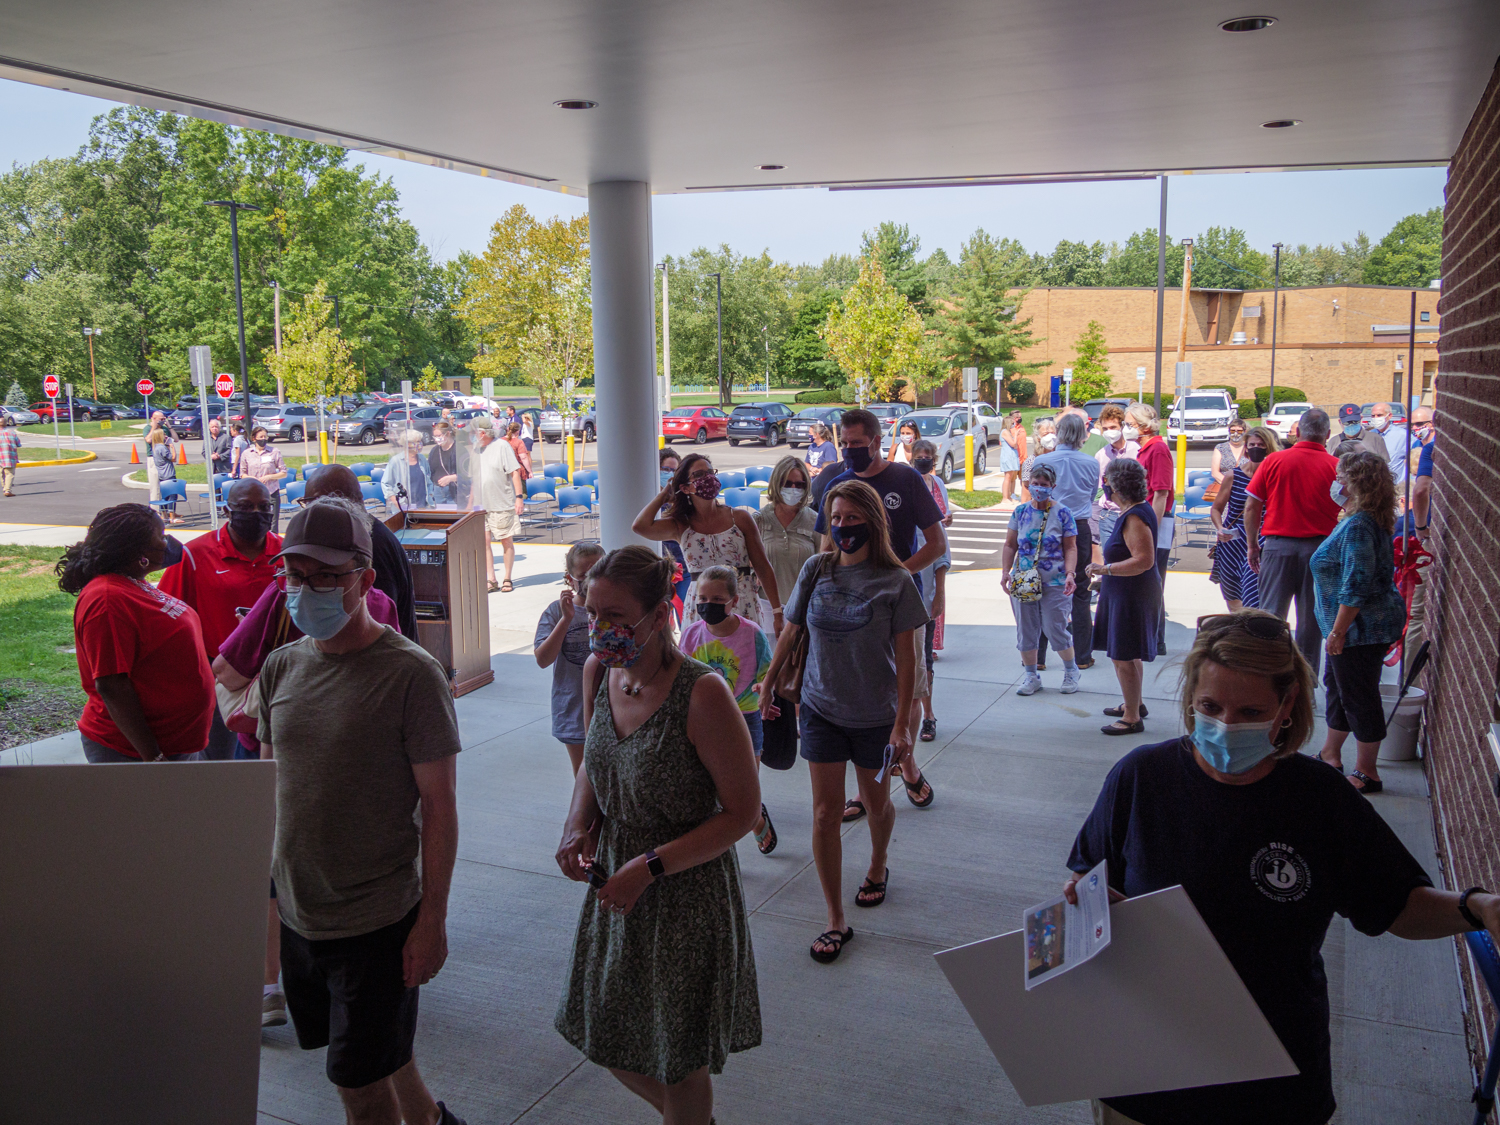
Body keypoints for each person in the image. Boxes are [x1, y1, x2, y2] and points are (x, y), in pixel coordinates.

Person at [1065, 610, 1500, 1125]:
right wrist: (1083, 902)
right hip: (1148, 1058)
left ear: (1287, 704)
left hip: (1271, 1071)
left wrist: (1480, 908)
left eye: (1250, 711)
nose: (1226, 726)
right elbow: (1086, 876)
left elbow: (1397, 905)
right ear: (1189, 700)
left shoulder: (1320, 799)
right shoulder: (1141, 777)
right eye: (1210, 706)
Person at [256, 501, 468, 1125]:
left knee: (358, 1086)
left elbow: (440, 806)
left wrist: (433, 920)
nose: (306, 589)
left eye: (326, 575)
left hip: (376, 921)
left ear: (365, 580)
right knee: (382, 1058)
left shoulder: (410, 675)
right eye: (295, 575)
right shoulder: (280, 667)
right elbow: (270, 790)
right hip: (302, 915)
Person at [554, 546, 761, 1125]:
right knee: (608, 1032)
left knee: (679, 1057)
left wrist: (649, 866)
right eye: (593, 614)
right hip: (618, 880)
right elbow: (595, 769)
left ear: (659, 615)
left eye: (616, 618)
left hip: (683, 889)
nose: (600, 629)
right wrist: (578, 825)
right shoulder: (602, 671)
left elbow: (743, 813)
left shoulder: (702, 693)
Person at [762, 479, 927, 962]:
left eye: (853, 519)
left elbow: (908, 660)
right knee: (823, 813)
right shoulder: (817, 569)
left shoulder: (896, 582)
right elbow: (792, 630)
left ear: (872, 522)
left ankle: (878, 864)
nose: (842, 527)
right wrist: (770, 683)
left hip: (875, 716)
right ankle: (835, 918)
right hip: (820, 708)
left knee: (877, 806)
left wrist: (902, 726)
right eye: (835, 519)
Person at [812, 408, 944, 808]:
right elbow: (824, 549)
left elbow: (936, 544)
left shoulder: (905, 479)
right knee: (860, 695)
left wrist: (893, 578)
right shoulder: (838, 483)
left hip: (901, 606)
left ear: (875, 441)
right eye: (845, 444)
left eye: (857, 443)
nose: (850, 451)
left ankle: (905, 759)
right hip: (850, 610)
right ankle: (871, 783)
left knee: (911, 684)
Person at [57, 504, 213, 763]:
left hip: (175, 744)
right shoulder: (106, 600)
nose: (167, 541)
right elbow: (111, 684)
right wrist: (153, 757)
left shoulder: (131, 583)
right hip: (134, 753)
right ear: (138, 550)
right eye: (161, 534)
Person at [157, 477, 282, 759]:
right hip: (220, 677)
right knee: (220, 761)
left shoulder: (286, 555)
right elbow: (168, 619)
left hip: (277, 675)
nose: (256, 514)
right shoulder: (195, 555)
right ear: (227, 511)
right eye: (245, 507)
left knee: (271, 760)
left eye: (264, 506)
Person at [1312, 451, 1408, 795]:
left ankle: (1368, 773)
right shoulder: (1366, 519)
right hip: (1354, 628)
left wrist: (1338, 632)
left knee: (1359, 697)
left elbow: (1356, 583)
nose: (1336, 483)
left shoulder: (1359, 526)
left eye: (1341, 478)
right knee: (1338, 690)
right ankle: (1330, 754)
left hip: (1361, 629)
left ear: (1356, 484)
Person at [680, 565, 776, 853]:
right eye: (702, 598)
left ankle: (753, 815)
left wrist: (764, 689)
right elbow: (681, 678)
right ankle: (732, 839)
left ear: (735, 602)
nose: (708, 606)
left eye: (718, 600)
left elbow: (767, 672)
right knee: (713, 788)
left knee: (746, 786)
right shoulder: (691, 635)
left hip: (746, 716)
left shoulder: (753, 634)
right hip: (705, 719)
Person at [631, 452, 782, 633]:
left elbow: (763, 567)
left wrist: (777, 612)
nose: (708, 478)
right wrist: (663, 495)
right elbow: (640, 526)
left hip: (741, 602)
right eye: (699, 475)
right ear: (685, 488)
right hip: (701, 606)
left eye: (711, 472)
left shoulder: (740, 518)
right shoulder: (680, 524)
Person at [1242, 407, 1341, 677]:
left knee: (1271, 616)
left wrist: (1252, 545)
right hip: (1320, 551)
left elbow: (1252, 507)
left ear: (1297, 433)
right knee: (1310, 622)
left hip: (1278, 547)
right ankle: (1304, 683)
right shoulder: (1336, 467)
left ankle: (1267, 676)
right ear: (1328, 435)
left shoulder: (1274, 462)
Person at [1085, 458, 1161, 735]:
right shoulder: (1136, 510)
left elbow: (1144, 560)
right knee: (1128, 654)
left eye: (1106, 481)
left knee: (1123, 655)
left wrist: (1103, 569)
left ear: (1115, 486)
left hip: (1131, 594)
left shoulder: (1134, 516)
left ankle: (1131, 717)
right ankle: (1135, 703)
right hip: (1125, 591)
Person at [303, 464, 418, 640]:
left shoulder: (369, 545)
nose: (308, 512)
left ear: (339, 502)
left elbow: (378, 616)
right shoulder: (365, 534)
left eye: (313, 503)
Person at [1001, 463, 1080, 696]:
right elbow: (1009, 545)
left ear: (1052, 487)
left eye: (1044, 485)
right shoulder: (1020, 512)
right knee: (1026, 629)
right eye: (1035, 484)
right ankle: (1031, 676)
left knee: (1055, 627)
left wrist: (1070, 573)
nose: (1038, 488)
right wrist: (1006, 572)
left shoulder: (1064, 513)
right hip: (1024, 580)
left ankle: (1071, 670)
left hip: (1054, 581)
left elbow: (1071, 547)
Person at [1032, 412, 1098, 669]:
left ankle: (1038, 657)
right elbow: (1092, 494)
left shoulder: (1044, 459)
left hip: (1048, 525)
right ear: (1082, 434)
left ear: (1058, 433)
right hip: (1078, 527)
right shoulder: (1091, 462)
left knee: (1039, 590)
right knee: (1080, 592)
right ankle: (1082, 656)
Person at [535, 541, 607, 776]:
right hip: (573, 707)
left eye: (597, 572)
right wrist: (565, 620)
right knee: (584, 775)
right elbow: (543, 659)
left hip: (610, 706)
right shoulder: (556, 611)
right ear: (570, 578)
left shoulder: (614, 610)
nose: (590, 580)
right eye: (583, 575)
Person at [1209, 426, 1280, 611]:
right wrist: (1219, 528)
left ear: (1269, 448)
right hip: (1232, 541)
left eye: (1261, 445)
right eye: (1252, 445)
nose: (1256, 448)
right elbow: (1216, 509)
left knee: (1253, 593)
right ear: (1246, 448)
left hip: (1260, 540)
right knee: (1231, 593)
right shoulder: (1233, 476)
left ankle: (1250, 633)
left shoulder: (1274, 477)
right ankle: (1238, 632)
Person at [911, 438, 952, 740]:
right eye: (918, 455)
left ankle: (929, 715)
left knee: (923, 659)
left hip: (922, 597)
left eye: (928, 456)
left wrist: (939, 593)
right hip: (898, 598)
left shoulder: (934, 511)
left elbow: (941, 555)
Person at [751, 455, 820, 630]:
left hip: (804, 610)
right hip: (766, 610)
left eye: (799, 484)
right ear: (776, 483)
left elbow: (822, 566)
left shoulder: (815, 521)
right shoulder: (758, 521)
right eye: (787, 483)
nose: (793, 489)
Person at [475, 425, 524, 593]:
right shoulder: (475, 449)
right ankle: (491, 579)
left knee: (506, 541)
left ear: (483, 433)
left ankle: (507, 578)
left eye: (475, 432)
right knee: (484, 543)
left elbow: (515, 473)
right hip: (481, 507)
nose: (472, 435)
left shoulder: (502, 446)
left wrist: (519, 497)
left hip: (501, 503)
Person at [1091, 405, 1137, 563]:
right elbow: (1098, 488)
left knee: (1131, 559)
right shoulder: (1101, 455)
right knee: (1110, 560)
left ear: (1122, 426)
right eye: (1105, 428)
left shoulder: (1136, 451)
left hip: (1131, 513)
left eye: (1113, 427)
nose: (1110, 431)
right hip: (1109, 515)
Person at [658, 446, 692, 614]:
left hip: (683, 569)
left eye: (674, 470)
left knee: (684, 614)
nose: (670, 474)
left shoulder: (685, 499)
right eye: (665, 469)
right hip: (659, 570)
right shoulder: (648, 499)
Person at [383, 430, 433, 511]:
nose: (420, 444)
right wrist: (396, 503)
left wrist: (430, 498)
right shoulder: (396, 461)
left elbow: (428, 481)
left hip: (422, 507)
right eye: (417, 441)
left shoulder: (422, 459)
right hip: (403, 508)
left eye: (420, 441)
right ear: (407, 444)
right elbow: (386, 484)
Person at [241, 425, 289, 505]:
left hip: (271, 492)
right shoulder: (246, 454)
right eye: (261, 437)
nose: (263, 439)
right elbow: (242, 474)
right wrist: (251, 478)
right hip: (253, 492)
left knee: (273, 517)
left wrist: (269, 477)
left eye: (265, 437)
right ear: (254, 439)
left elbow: (284, 473)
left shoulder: (274, 452)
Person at [1370, 401, 1414, 486]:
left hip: (1396, 487)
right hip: (1374, 487)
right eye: (1373, 416)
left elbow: (1417, 455)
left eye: (1379, 415)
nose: (1376, 418)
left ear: (1389, 416)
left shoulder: (1404, 436)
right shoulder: (1369, 435)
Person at [148, 425, 184, 525]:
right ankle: (172, 517)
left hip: (162, 475)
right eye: (163, 434)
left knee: (164, 497)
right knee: (173, 496)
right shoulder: (162, 448)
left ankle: (164, 516)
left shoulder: (155, 448)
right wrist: (172, 447)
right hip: (169, 475)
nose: (165, 436)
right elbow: (173, 458)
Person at [1020, 417, 1056, 504]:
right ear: (1038, 438)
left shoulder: (1062, 458)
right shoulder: (1031, 461)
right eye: (1045, 434)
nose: (1050, 437)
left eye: (1052, 433)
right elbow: (1026, 493)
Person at [426, 422, 461, 504]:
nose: (436, 439)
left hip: (454, 493)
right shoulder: (434, 450)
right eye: (435, 436)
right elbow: (430, 472)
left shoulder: (460, 450)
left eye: (439, 436)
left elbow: (468, 475)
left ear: (448, 433)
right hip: (437, 492)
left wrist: (451, 478)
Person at [1210, 418, 1248, 484]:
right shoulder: (1220, 448)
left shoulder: (1249, 448)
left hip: (1245, 486)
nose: (1236, 433)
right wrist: (1230, 484)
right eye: (1233, 431)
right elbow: (1215, 473)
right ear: (1229, 431)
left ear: (1245, 432)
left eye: (1239, 431)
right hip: (1224, 485)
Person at [999, 411, 1026, 501]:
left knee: (1011, 477)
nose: (1013, 424)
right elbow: (1013, 444)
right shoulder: (1006, 432)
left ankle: (1009, 497)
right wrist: (1015, 435)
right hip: (1008, 457)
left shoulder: (1010, 431)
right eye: (1012, 423)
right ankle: (1005, 497)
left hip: (1016, 457)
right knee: (1008, 477)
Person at [0, 413, 20, 497]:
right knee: (9, 473)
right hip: (9, 457)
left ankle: (4, 487)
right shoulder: (12, 433)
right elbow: (18, 444)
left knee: (1, 473)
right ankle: (7, 490)